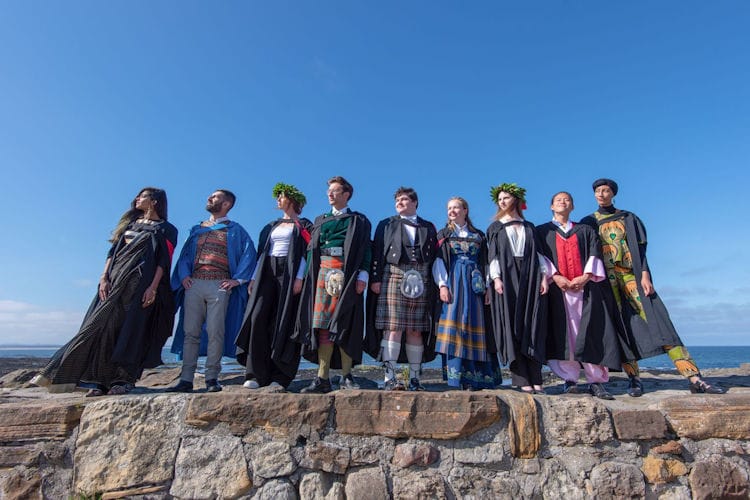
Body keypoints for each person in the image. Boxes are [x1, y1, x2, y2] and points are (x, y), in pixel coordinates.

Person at [580, 178, 724, 395]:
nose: (601, 194)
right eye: (597, 191)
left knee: (661, 323)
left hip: (632, 276)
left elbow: (641, 251)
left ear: (613, 193)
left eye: (605, 190)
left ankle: (694, 377)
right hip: (606, 284)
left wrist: (645, 274)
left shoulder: (629, 218)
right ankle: (634, 380)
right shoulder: (588, 222)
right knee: (622, 329)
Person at [32, 188, 178, 396]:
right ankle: (95, 381)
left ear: (154, 201)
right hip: (113, 282)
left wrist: (153, 288)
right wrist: (103, 278)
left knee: (131, 330)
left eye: (142, 196)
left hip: (140, 285)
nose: (137, 199)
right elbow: (112, 253)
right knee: (101, 327)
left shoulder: (167, 229)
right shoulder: (130, 225)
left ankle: (123, 380)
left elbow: (164, 262)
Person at [168, 189, 256, 393]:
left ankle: (211, 378)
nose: (209, 198)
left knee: (216, 332)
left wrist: (237, 280)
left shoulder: (234, 230)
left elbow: (248, 254)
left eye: (215, 197)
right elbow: (185, 256)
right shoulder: (197, 229)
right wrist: (183, 276)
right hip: (195, 284)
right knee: (190, 333)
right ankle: (186, 379)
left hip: (219, 285)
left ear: (226, 204)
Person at [537, 191, 623, 400]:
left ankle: (596, 381)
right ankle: (570, 379)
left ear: (572, 207)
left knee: (592, 331)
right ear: (551, 206)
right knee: (564, 335)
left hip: (585, 289)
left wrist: (585, 277)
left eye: (567, 200)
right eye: (558, 200)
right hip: (559, 290)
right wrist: (555, 277)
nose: (562, 202)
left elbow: (595, 253)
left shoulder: (585, 230)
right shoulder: (541, 232)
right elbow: (541, 257)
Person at [296, 176, 371, 393]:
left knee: (346, 323)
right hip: (322, 271)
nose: (330, 194)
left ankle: (347, 376)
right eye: (329, 191)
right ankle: (322, 378)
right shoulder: (320, 220)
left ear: (346, 194)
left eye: (335, 191)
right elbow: (311, 251)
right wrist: (306, 279)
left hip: (348, 273)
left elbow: (366, 248)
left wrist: (363, 276)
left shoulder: (359, 220)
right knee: (322, 325)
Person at [235, 183, 312, 390]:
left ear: (293, 200)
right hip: (266, 272)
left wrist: (299, 277)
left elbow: (307, 253)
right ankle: (255, 374)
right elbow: (262, 253)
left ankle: (281, 375)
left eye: (282, 196)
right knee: (257, 316)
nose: (278, 199)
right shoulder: (271, 226)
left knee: (285, 319)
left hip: (290, 272)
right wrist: (253, 278)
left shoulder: (304, 225)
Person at [366, 187, 438, 391]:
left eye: (404, 199)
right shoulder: (386, 224)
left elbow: (433, 256)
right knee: (393, 328)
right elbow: (378, 252)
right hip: (393, 274)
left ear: (415, 203)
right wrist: (375, 278)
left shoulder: (427, 226)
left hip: (421, 276)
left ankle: (415, 379)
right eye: (397, 200)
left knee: (416, 330)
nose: (400, 202)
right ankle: (390, 378)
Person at [432, 197, 502, 390]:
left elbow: (486, 262)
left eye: (455, 207)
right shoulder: (444, 234)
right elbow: (439, 262)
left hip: (475, 283)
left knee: (475, 323)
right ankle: (457, 377)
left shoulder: (478, 235)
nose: (451, 211)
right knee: (455, 323)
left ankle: (477, 378)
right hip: (454, 281)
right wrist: (442, 285)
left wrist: (487, 286)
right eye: (449, 208)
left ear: (465, 210)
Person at [487, 183, 549, 394]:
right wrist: (496, 279)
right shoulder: (496, 227)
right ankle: (521, 377)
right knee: (511, 324)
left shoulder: (530, 226)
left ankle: (536, 375)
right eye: (500, 199)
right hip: (507, 276)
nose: (502, 201)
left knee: (532, 323)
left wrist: (543, 278)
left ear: (516, 199)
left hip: (530, 275)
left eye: (506, 198)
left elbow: (540, 255)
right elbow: (493, 256)